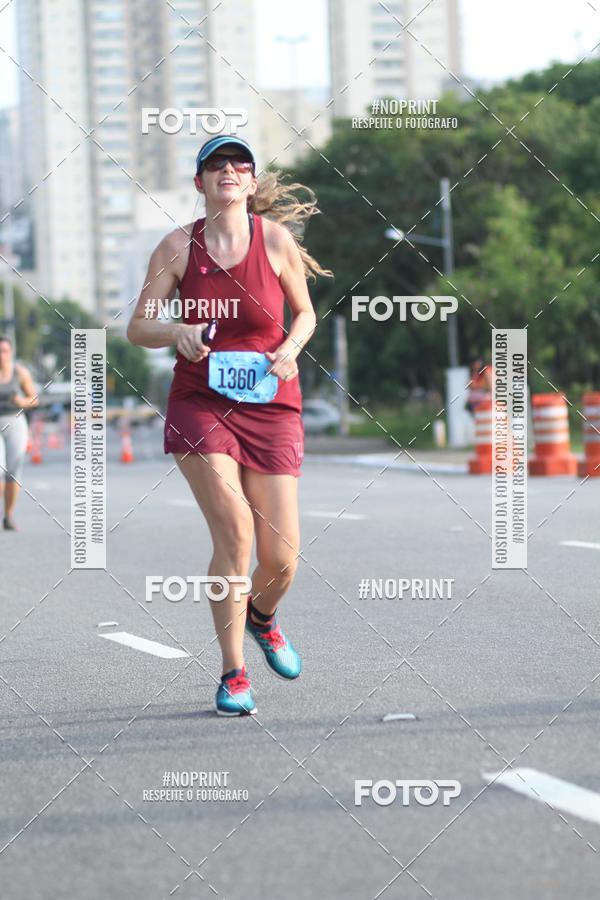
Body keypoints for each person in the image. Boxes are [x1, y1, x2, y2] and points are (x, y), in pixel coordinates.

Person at [127, 135, 332, 716]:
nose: (228, 170)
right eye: (215, 164)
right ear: (199, 184)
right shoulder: (176, 248)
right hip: (201, 401)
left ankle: (263, 619)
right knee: (236, 533)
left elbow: (306, 312)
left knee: (281, 557)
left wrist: (292, 346)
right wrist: (176, 332)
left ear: (249, 181)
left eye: (238, 163)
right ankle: (233, 674)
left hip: (272, 400)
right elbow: (138, 327)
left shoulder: (275, 241)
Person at [0, 335, 39, 530]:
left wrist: (22, 402)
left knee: (13, 472)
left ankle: (8, 516)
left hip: (14, 420)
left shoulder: (20, 372)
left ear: (11, 353)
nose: (1, 355)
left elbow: (34, 398)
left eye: (5, 351)